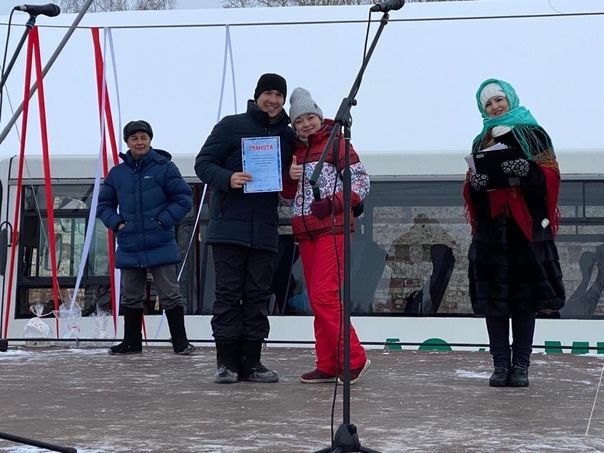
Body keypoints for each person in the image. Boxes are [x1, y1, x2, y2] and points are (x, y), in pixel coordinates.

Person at [463, 79, 565, 387]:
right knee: (494, 305)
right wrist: (475, 185)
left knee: (525, 304)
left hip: (527, 232)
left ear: (509, 99)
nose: (494, 106)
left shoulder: (534, 133)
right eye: (488, 104)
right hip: (492, 233)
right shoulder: (481, 139)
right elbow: (472, 183)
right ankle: (499, 366)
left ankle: (521, 366)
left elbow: (552, 176)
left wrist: (529, 171)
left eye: (498, 100)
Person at [195, 73, 294, 384]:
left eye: (279, 95)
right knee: (227, 296)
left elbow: (290, 182)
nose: (273, 100)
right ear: (257, 96)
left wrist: (291, 174)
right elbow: (203, 163)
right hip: (228, 228)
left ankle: (252, 363)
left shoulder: (289, 136)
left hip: (264, 230)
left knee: (257, 296)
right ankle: (226, 363)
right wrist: (228, 178)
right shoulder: (231, 125)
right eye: (268, 93)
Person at [283, 87, 371, 385]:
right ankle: (329, 362)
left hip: (332, 228)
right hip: (305, 232)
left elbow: (361, 182)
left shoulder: (338, 144)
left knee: (324, 294)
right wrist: (289, 179)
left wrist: (333, 203)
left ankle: (354, 359)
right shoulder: (296, 151)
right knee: (317, 299)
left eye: (310, 117)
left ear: (320, 118)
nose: (306, 124)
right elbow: (286, 195)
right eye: (299, 121)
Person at [98, 120, 194, 356]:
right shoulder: (117, 173)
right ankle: (131, 342)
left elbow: (184, 199)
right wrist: (117, 224)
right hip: (130, 243)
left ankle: (180, 342)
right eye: (134, 138)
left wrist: (161, 221)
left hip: (160, 242)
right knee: (131, 295)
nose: (139, 142)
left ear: (150, 140)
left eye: (143, 138)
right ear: (127, 142)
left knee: (170, 294)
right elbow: (104, 205)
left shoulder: (165, 168)